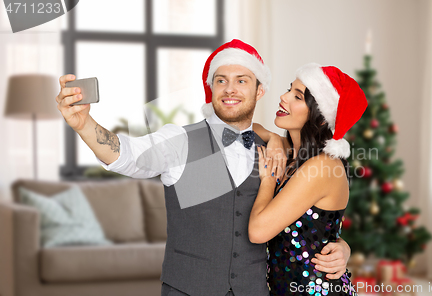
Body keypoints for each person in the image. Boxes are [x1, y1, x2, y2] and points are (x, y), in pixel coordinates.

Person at [55, 40, 352, 296]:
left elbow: (316, 219)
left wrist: (341, 246)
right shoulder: (181, 141)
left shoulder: (284, 155)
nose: (230, 89)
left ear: (259, 91)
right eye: (221, 80)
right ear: (210, 88)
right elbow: (130, 155)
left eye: (242, 80)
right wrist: (84, 126)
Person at [249, 63, 368, 295]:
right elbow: (247, 128)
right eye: (288, 90)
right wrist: (273, 138)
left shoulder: (323, 165)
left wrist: (269, 177)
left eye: (297, 96)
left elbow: (258, 231)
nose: (283, 97)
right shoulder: (293, 155)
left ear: (321, 118)